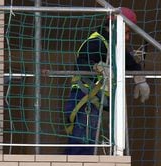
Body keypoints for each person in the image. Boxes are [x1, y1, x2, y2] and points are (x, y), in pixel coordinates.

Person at [64, 7, 150, 155]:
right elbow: (82, 62)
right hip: (85, 99)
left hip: (93, 101)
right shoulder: (97, 41)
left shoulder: (112, 44)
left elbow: (129, 62)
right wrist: (98, 67)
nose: (128, 38)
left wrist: (139, 78)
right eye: (127, 32)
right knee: (82, 143)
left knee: (86, 142)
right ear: (116, 26)